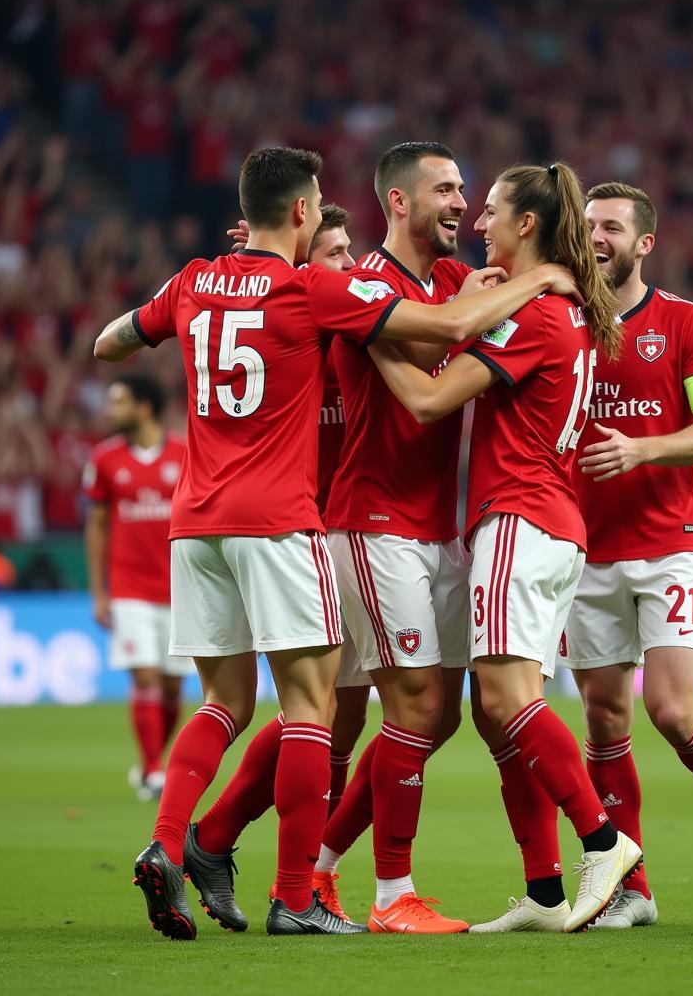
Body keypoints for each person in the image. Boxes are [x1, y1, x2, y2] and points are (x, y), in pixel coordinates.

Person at [93, 145, 579, 940]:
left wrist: (190, 297)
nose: (327, 226)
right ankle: (305, 892)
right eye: (320, 213)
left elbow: (111, 343)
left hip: (198, 518)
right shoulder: (313, 289)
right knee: (321, 712)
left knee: (233, 702)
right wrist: (541, 278)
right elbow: (452, 327)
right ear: (298, 213)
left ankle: (182, 840)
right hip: (294, 518)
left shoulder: (191, 280)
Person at [197, 144, 490, 935]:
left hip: (401, 523)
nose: (462, 201)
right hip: (340, 524)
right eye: (447, 188)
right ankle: (356, 886)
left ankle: (226, 841)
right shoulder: (345, 296)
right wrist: (256, 282)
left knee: (351, 715)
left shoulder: (443, 285)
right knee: (359, 711)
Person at [369, 161, 641, 934]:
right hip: (551, 525)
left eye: (491, 210)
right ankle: (545, 894)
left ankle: (603, 841)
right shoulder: (564, 310)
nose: (478, 221)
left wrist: (368, 333)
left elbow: (424, 401)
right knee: (500, 719)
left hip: (519, 521)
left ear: (526, 225)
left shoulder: (534, 319)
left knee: (505, 699)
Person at [555, 182, 693, 929]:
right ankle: (633, 887)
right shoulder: (560, 319)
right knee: (604, 720)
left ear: (644, 243)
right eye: (587, 226)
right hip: (586, 549)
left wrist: (643, 448)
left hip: (670, 544)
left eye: (611, 226)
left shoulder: (684, 322)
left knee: (671, 709)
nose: (597, 236)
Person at [181, 203, 374, 934]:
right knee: (322, 712)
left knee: (330, 715)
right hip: (293, 534)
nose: (346, 265)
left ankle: (218, 840)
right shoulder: (296, 320)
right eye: (332, 251)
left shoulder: (353, 328)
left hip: (344, 533)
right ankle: (299, 886)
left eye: (351, 251)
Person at [83, 376, 190, 801]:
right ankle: (151, 768)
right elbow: (97, 525)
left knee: (170, 686)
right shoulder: (105, 459)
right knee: (144, 675)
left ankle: (152, 760)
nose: (110, 412)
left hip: (180, 586)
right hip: (128, 587)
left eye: (119, 402)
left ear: (144, 407)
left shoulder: (185, 453)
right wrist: (99, 591)